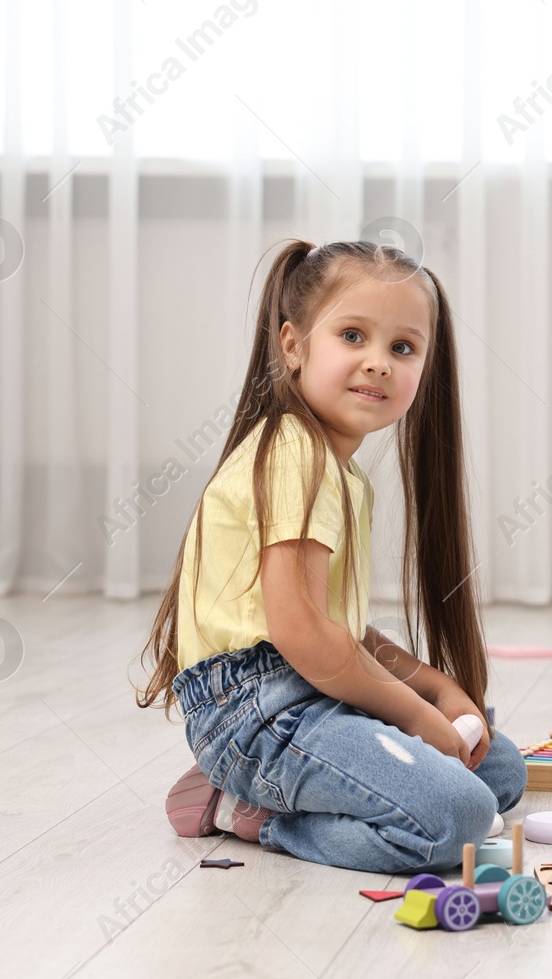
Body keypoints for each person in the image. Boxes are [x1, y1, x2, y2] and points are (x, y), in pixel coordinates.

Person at [136, 239, 523, 872]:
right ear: (293, 345)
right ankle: (251, 812)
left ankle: (293, 792)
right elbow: (304, 637)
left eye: (402, 348)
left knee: (499, 768)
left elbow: (340, 634)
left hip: (306, 693)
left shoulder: (343, 476)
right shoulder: (294, 455)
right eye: (352, 336)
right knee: (460, 818)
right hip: (257, 715)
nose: (379, 363)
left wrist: (434, 687)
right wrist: (420, 719)